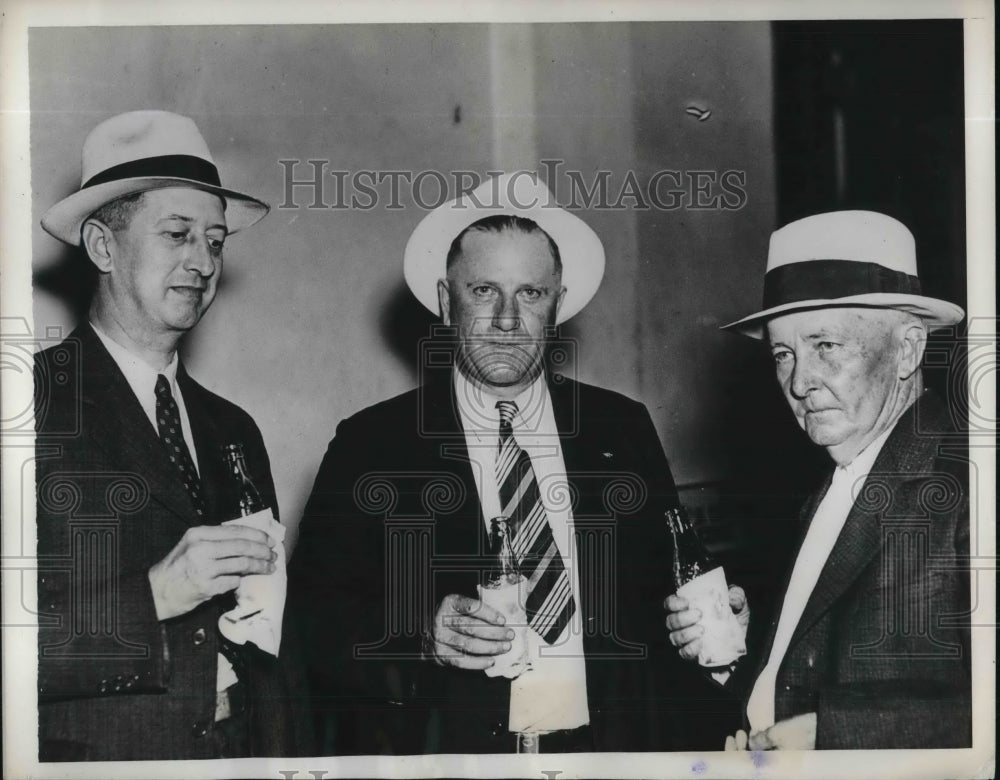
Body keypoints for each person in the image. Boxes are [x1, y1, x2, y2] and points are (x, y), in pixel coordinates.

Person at [288, 172, 742, 754]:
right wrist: (420, 639)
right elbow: (308, 616)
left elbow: (669, 588)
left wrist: (707, 617)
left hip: (606, 755)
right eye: (482, 290)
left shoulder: (619, 428)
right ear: (444, 300)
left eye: (530, 293)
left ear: (557, 305)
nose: (507, 319)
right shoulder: (372, 445)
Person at [34, 111, 310, 760]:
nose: (202, 262)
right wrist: (156, 595)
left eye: (215, 242)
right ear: (103, 247)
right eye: (177, 234)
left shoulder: (232, 428)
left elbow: (277, 652)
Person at [666, 210, 971, 749]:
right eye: (784, 354)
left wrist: (829, 734)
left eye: (825, 345)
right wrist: (741, 649)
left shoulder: (970, 483)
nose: (800, 381)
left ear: (908, 349)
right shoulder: (822, 495)